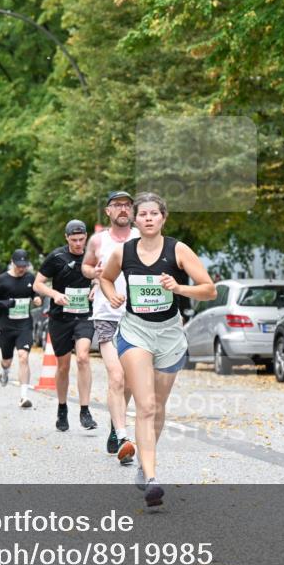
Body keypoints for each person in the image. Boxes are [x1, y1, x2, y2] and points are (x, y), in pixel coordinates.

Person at [99, 193, 216, 506]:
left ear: (163, 218)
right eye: (143, 214)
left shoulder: (177, 250)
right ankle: (151, 478)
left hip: (169, 336)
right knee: (146, 405)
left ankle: (143, 465)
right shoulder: (124, 252)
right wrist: (111, 295)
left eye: (154, 213)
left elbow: (209, 289)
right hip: (135, 332)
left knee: (159, 407)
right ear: (135, 220)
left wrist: (178, 288)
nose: (148, 218)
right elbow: (106, 279)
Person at [84, 191, 139, 463]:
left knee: (128, 380)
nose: (123, 209)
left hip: (136, 315)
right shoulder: (98, 240)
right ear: (108, 211)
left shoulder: (143, 238)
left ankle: (115, 425)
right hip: (106, 313)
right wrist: (95, 278)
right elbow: (86, 267)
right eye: (117, 205)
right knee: (116, 376)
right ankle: (122, 435)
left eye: (127, 205)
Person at [34, 220, 98, 432]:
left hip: (84, 315)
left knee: (82, 357)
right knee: (63, 366)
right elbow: (38, 283)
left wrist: (97, 286)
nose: (78, 244)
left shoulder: (94, 255)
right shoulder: (57, 257)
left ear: (86, 236)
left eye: (81, 239)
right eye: (74, 240)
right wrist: (55, 294)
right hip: (60, 317)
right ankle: (62, 408)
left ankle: (85, 410)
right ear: (66, 238)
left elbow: (106, 275)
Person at [0, 249, 42, 408]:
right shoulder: (1, 280)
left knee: (23, 356)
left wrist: (37, 298)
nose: (21, 269)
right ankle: (5, 371)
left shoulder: (30, 277)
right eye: (19, 265)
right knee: (7, 360)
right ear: (12, 262)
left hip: (24, 324)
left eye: (24, 265)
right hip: (6, 325)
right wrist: (5, 304)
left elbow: (36, 293)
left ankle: (23, 397)